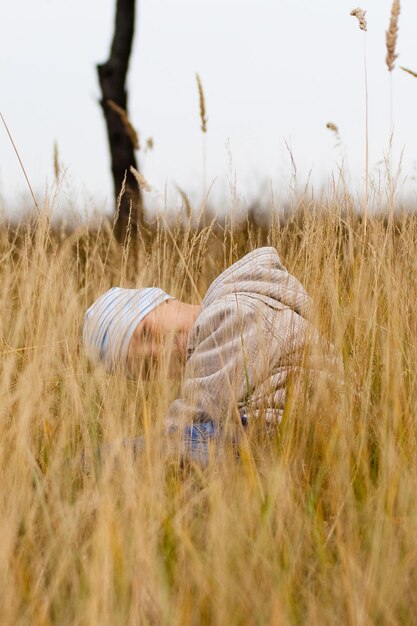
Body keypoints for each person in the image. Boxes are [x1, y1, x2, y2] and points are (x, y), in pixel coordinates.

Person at [82, 247, 329, 466]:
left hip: (289, 430)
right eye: (147, 367)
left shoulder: (228, 313)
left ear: (164, 301)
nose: (157, 353)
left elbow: (199, 413)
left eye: (145, 333)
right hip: (281, 435)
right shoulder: (220, 323)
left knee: (123, 458)